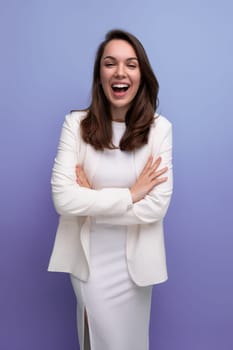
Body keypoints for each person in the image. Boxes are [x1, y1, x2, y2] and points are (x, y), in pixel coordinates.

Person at [48, 29, 173, 350]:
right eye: (110, 63)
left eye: (131, 64)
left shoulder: (160, 129)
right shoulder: (76, 124)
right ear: (99, 75)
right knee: (96, 341)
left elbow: (156, 207)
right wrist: (131, 194)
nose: (120, 72)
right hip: (89, 262)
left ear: (141, 75)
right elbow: (63, 198)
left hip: (135, 270)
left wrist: (90, 201)